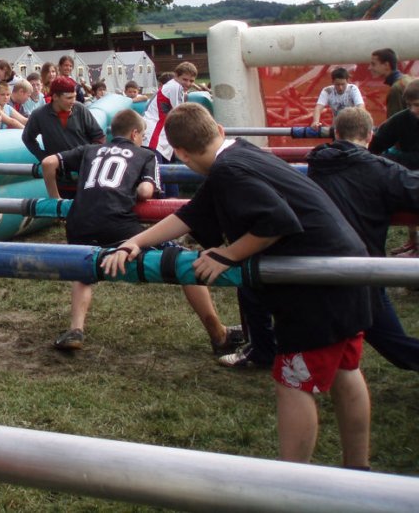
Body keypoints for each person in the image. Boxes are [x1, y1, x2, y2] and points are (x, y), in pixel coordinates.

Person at [102, 103, 372, 468]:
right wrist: (135, 242)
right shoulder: (239, 154)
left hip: (314, 283)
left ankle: (293, 484)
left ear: (180, 153)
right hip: (346, 267)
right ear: (218, 129)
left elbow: (276, 221)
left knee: (293, 382)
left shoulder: (228, 171)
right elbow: (190, 214)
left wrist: (227, 254)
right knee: (345, 370)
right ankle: (358, 468)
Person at [42, 109, 240, 354]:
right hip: (118, 225)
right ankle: (218, 335)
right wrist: (127, 188)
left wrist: (57, 201)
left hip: (78, 224)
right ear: (135, 133)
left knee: (83, 268)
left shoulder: (90, 150)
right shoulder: (145, 154)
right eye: (143, 135)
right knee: (182, 261)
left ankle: (76, 328)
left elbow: (49, 163)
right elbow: (146, 191)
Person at [307, 106, 419, 370]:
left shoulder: (317, 165)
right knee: (394, 344)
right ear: (370, 135)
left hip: (315, 267)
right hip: (361, 269)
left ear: (336, 133)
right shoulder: (382, 170)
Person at [22, 76, 105, 198]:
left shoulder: (80, 109)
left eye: (74, 97)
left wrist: (88, 158)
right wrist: (44, 158)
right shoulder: (39, 115)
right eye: (69, 98)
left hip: (87, 178)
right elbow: (27, 138)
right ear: (55, 97)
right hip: (62, 181)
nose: (73, 101)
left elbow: (99, 137)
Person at [368, 80, 419, 255]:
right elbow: (375, 145)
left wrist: (390, 159)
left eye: (417, 105)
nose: (413, 110)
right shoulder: (402, 120)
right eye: (409, 105)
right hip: (409, 178)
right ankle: (414, 242)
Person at [143, 61, 197, 197]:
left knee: (166, 177)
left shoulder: (171, 86)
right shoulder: (175, 87)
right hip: (155, 137)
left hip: (162, 138)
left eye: (191, 81)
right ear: (176, 76)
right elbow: (180, 112)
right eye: (185, 79)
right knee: (159, 180)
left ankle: (171, 200)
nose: (188, 83)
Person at [369, 48, 413, 117]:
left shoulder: (396, 88)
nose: (369, 68)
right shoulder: (407, 80)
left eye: (373, 64)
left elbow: (395, 121)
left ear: (386, 65)